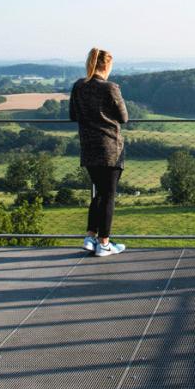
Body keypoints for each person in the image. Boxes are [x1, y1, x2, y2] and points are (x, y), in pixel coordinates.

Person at [70, 47, 128, 257]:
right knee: (108, 195)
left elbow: (72, 114)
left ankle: (90, 236)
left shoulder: (78, 86)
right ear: (107, 65)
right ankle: (104, 243)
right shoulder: (110, 87)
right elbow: (123, 117)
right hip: (110, 148)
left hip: (88, 147)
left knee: (99, 193)